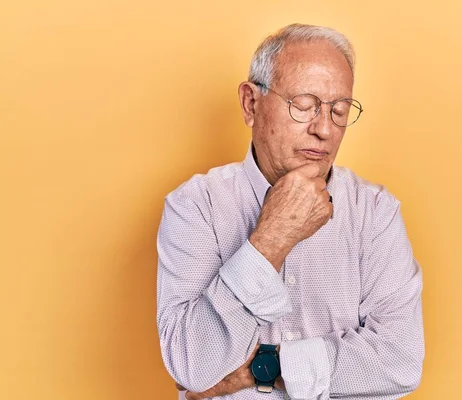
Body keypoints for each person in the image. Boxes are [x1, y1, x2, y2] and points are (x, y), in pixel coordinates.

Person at [156, 23, 424, 400]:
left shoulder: (376, 213)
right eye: (303, 106)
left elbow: (400, 362)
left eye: (340, 110)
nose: (325, 130)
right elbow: (193, 363)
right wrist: (271, 239)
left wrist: (263, 367)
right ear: (251, 104)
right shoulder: (195, 206)